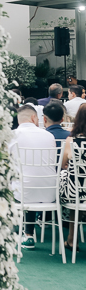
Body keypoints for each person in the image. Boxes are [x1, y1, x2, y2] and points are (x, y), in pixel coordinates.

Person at [9, 104, 59, 250]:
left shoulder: (13, 135)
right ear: (33, 117)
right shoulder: (49, 136)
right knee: (31, 178)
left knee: (18, 180)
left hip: (24, 191)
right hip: (50, 192)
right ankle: (29, 232)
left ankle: (17, 231)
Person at [58, 103, 86, 253]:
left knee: (70, 179)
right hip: (80, 191)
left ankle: (71, 239)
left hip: (75, 193)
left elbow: (63, 165)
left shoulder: (71, 141)